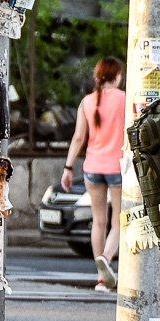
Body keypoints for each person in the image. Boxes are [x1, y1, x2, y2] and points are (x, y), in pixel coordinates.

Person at [61, 57, 126, 291]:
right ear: (117, 76)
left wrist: (68, 168)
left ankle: (101, 276)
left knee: (98, 221)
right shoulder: (124, 99)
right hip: (117, 168)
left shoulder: (87, 101)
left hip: (92, 168)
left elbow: (78, 138)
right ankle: (106, 260)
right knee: (119, 221)